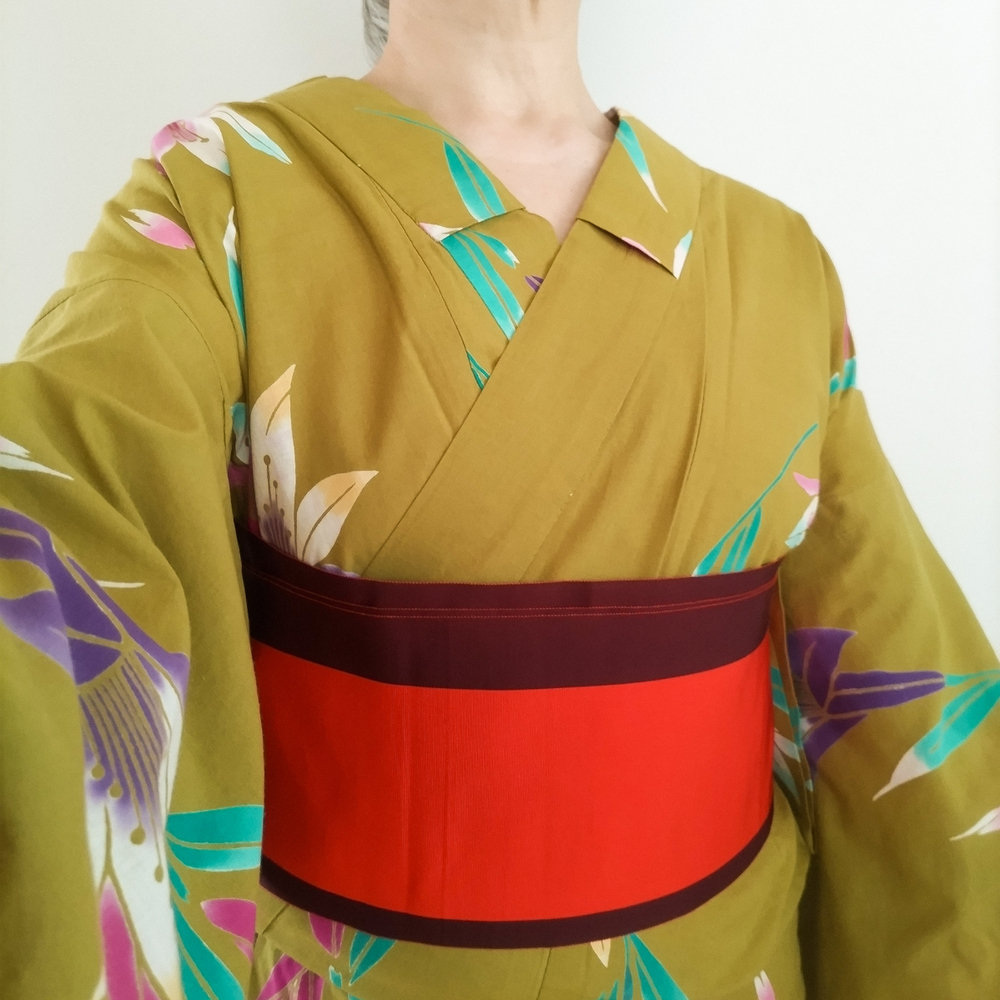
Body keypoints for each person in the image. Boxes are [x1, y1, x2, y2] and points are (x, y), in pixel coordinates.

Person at [1, 1, 997, 998]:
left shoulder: (774, 260)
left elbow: (903, 682)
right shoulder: (219, 200)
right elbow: (62, 494)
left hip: (724, 963)